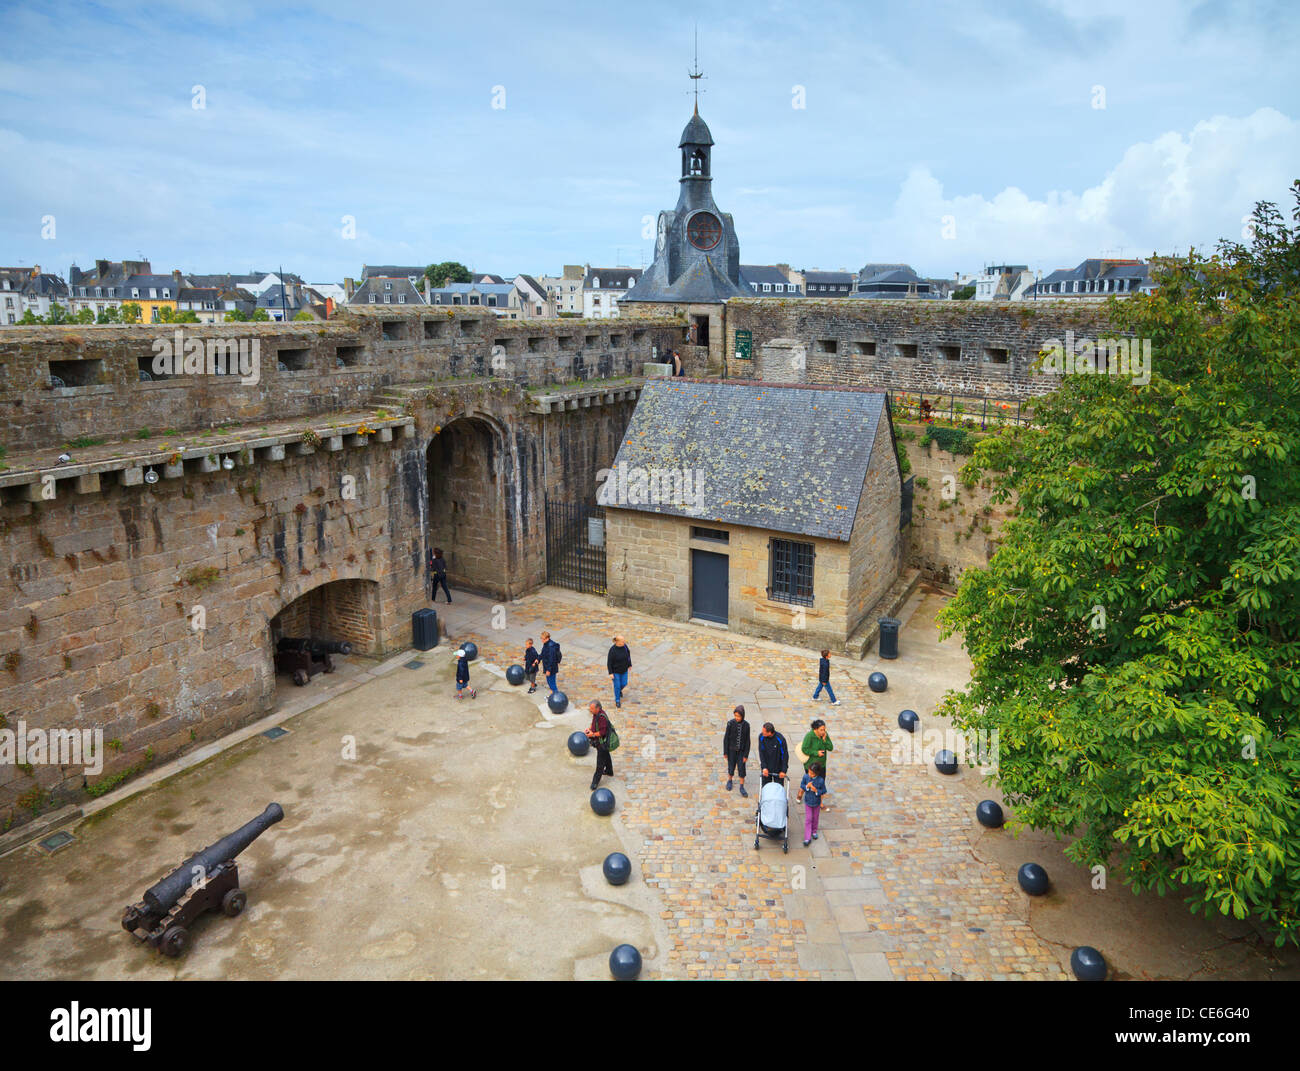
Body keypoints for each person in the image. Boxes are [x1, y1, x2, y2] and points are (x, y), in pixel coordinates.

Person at [801, 719, 834, 808]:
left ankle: (819, 802)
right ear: (815, 729)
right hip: (811, 765)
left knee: (820, 783)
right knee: (811, 782)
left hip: (822, 765)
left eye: (824, 729)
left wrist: (824, 740)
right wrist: (816, 753)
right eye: (821, 730)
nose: (823, 731)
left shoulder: (825, 735)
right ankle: (804, 795)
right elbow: (804, 749)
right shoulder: (809, 736)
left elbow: (830, 748)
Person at [722, 704, 751, 797]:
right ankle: (729, 780)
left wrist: (746, 755)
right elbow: (726, 738)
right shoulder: (730, 723)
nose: (737, 718)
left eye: (738, 716)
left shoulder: (746, 725)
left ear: (743, 716)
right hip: (731, 751)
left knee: (742, 768)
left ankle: (742, 786)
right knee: (731, 766)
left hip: (741, 752)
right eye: (735, 716)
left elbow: (747, 741)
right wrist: (725, 752)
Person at [797, 762, 829, 847]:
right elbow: (802, 785)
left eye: (811, 773)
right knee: (808, 819)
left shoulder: (821, 780)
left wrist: (816, 791)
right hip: (808, 802)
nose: (809, 774)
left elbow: (824, 791)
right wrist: (807, 787)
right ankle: (807, 838)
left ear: (816, 773)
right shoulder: (806, 777)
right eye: (809, 772)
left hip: (816, 803)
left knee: (815, 818)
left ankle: (814, 831)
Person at [585, 699, 614, 790]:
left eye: (592, 709)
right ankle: (609, 771)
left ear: (598, 708)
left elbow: (602, 732)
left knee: (600, 764)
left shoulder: (601, 717)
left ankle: (595, 782)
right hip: (601, 743)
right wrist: (590, 728)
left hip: (602, 743)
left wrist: (592, 734)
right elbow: (594, 723)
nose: (590, 710)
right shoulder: (596, 714)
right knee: (606, 754)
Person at [758, 722, 788, 787]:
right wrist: (764, 767)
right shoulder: (761, 737)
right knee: (765, 787)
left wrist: (783, 770)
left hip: (778, 769)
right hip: (766, 768)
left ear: (769, 732)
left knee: (779, 788)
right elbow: (761, 753)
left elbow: (785, 755)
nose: (762, 732)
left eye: (764, 731)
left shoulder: (780, 739)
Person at [607, 634, 632, 708]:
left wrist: (629, 664)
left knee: (624, 683)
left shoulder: (625, 647)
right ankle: (617, 700)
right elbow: (609, 662)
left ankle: (618, 691)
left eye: (624, 641)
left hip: (624, 670)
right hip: (615, 672)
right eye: (622, 641)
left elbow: (628, 656)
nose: (624, 642)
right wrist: (610, 672)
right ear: (618, 642)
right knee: (617, 686)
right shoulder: (612, 650)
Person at [540, 630, 562, 696]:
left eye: (543, 639)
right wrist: (538, 659)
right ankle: (553, 695)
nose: (541, 640)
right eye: (541, 638)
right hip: (547, 666)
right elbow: (542, 653)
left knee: (552, 683)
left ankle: (556, 697)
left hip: (551, 668)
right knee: (549, 682)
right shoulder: (546, 644)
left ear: (547, 638)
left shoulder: (551, 647)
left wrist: (548, 670)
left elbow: (551, 659)